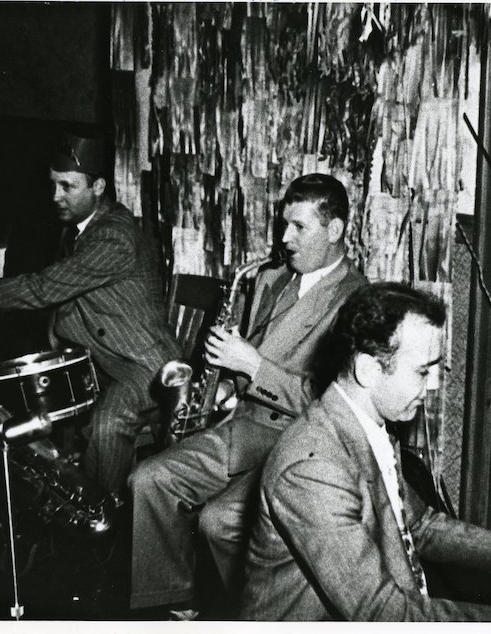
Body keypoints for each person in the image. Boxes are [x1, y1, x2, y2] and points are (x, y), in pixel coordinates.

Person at [239, 283, 491, 621]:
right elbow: (380, 612)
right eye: (422, 371)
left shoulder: (366, 423)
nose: (431, 386)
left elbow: (417, 525)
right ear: (368, 369)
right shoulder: (312, 467)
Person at [129, 173, 367, 618]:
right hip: (244, 426)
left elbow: (334, 402)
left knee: (219, 523)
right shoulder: (272, 278)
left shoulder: (357, 300)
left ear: (334, 231)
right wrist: (222, 384)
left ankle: (254, 615)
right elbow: (249, 354)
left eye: (299, 227)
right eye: (283, 225)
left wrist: (252, 366)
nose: (284, 238)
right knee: (148, 480)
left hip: (302, 444)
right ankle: (175, 608)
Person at [0, 133, 180, 496]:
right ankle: (61, 491)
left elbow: (44, 288)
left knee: (107, 423)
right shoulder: (79, 227)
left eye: (67, 186)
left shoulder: (114, 237)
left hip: (144, 366)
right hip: (101, 362)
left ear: (99, 186)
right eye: (52, 185)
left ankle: (99, 515)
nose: (55, 197)